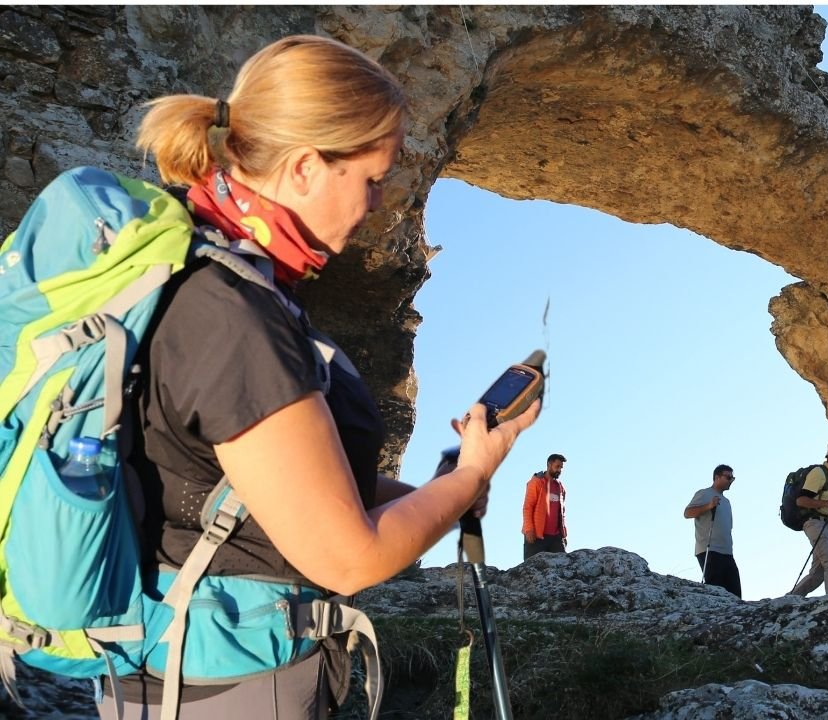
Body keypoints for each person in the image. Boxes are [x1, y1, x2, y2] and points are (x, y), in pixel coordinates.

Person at [119, 35, 539, 718]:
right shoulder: (233, 316)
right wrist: (469, 477)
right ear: (308, 166)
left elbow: (270, 481)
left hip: (187, 670)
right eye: (372, 179)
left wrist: (434, 497)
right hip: (230, 685)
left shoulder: (212, 272)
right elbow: (347, 558)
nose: (376, 203)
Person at [788, 439, 828, 597]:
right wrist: (827, 503)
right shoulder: (819, 473)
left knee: (818, 573)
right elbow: (801, 500)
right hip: (815, 523)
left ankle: (790, 599)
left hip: (825, 526)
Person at [683, 464, 741, 598]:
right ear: (717, 477)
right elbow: (687, 513)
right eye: (728, 477)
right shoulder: (704, 494)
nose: (731, 481)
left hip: (727, 552)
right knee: (716, 591)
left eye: (732, 478)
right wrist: (709, 506)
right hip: (709, 550)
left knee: (735, 593)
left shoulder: (726, 502)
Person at [523, 453, 568, 559]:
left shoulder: (560, 488)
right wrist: (529, 529)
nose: (559, 470)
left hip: (556, 538)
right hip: (536, 536)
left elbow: (562, 513)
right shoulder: (536, 483)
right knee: (532, 571)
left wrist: (563, 534)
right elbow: (528, 507)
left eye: (561, 468)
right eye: (557, 467)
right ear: (549, 465)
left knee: (562, 567)